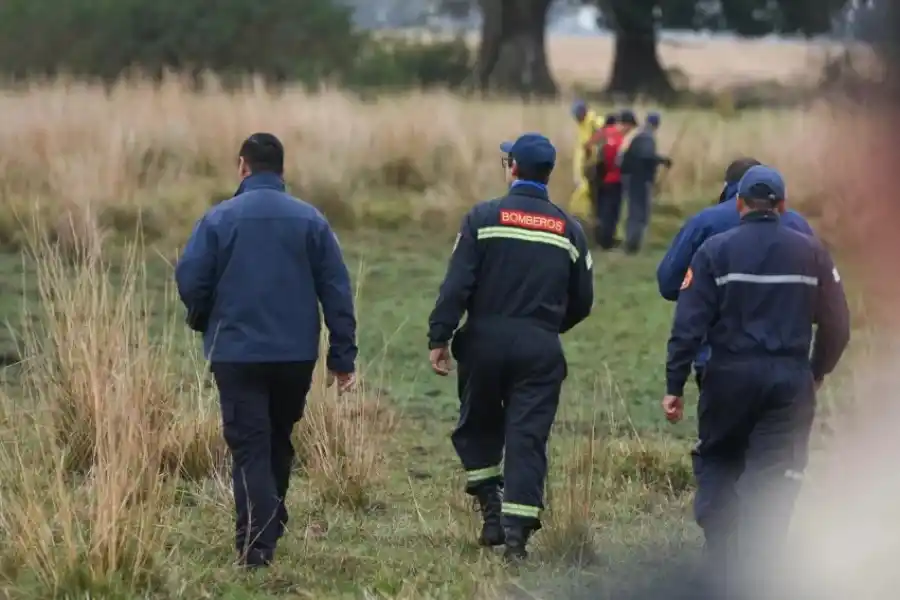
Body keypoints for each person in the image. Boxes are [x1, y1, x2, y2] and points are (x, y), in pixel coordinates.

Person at [662, 165, 851, 596]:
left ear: (740, 204)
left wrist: (674, 385)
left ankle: (720, 551)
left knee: (719, 459)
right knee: (777, 472)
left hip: (727, 376)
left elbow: (687, 325)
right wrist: (816, 370)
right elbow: (838, 324)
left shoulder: (713, 251)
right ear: (782, 206)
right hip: (789, 380)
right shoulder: (813, 252)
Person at [175, 133, 358, 568]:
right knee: (276, 440)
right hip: (295, 356)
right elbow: (337, 290)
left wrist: (204, 316)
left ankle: (257, 545)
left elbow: (190, 279)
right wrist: (342, 357)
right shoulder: (310, 220)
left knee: (250, 447)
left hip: (236, 353)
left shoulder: (219, 220)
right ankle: (269, 520)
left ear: (242, 166)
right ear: (282, 170)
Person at [427, 133, 593, 562]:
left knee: (477, 425)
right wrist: (548, 327)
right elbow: (584, 301)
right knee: (527, 437)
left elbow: (456, 285)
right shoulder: (569, 229)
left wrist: (440, 335)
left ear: (513, 168)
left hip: (483, 341)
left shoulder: (482, 218)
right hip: (540, 346)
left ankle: (491, 510)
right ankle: (517, 537)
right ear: (549, 173)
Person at [656, 157, 815, 391]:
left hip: (718, 362)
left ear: (728, 187)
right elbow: (821, 294)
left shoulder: (705, 222)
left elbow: (669, 283)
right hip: (787, 365)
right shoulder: (799, 226)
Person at [617, 110, 672, 254]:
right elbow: (646, 156)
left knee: (634, 210)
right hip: (638, 179)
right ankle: (632, 244)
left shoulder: (638, 134)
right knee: (639, 211)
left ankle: (631, 242)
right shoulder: (646, 136)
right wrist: (662, 161)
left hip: (631, 177)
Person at [585, 112, 625, 250]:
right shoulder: (620, 136)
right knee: (612, 210)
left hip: (596, 179)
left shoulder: (598, 135)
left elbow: (587, 148)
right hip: (614, 178)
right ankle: (607, 240)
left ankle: (597, 239)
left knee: (598, 209)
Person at [568, 100, 602, 226]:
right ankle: (583, 219)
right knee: (584, 192)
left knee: (583, 192)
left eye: (577, 115)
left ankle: (577, 216)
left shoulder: (594, 123)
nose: (576, 118)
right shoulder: (583, 124)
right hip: (583, 166)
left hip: (591, 167)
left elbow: (600, 141)